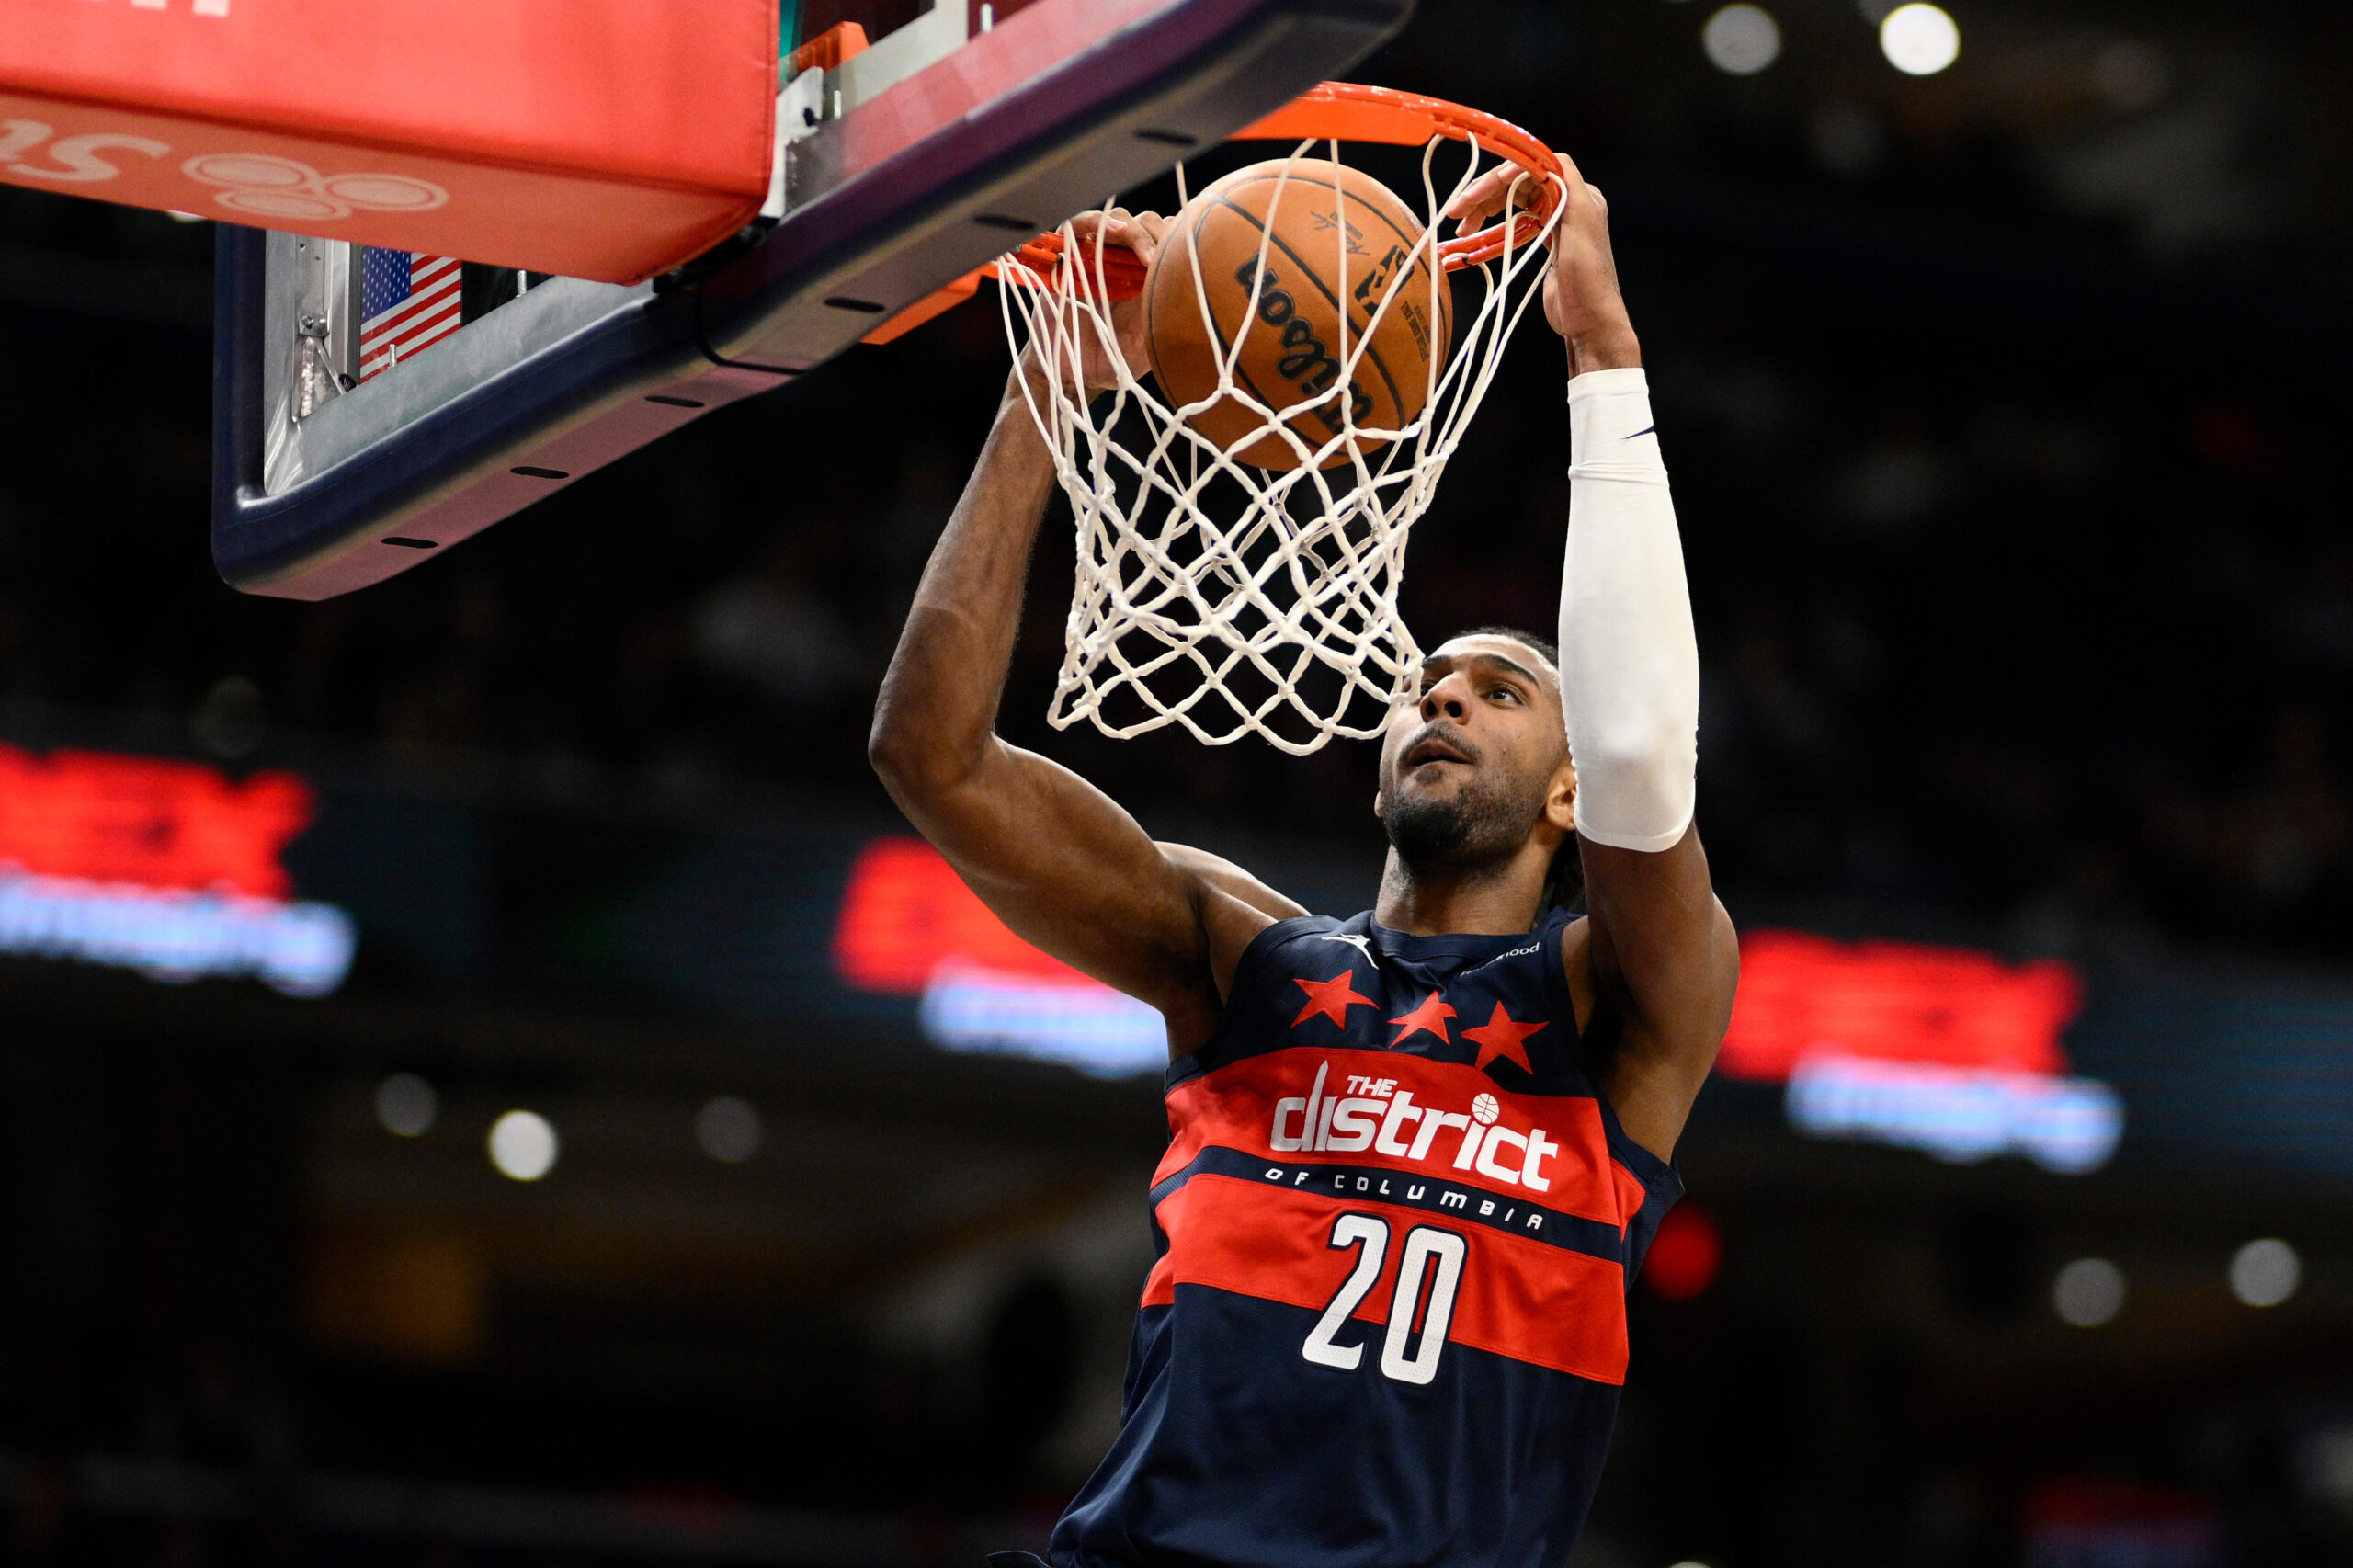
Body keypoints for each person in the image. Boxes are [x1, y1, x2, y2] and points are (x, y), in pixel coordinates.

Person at [869, 151, 1739, 1568]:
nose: (1441, 696)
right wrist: (1054, 383)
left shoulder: (1619, 1010)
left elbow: (1650, 758)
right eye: (1428, 681)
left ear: (1568, 794)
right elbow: (933, 755)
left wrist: (1601, 352)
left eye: (1500, 691)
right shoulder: (1245, 956)